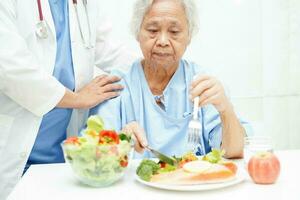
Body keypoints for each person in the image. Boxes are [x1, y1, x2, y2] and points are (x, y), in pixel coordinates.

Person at [0, 0, 136, 199]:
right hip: (14, 153)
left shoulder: (84, 3)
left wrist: (164, 67)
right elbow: (10, 68)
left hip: (59, 160)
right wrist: (77, 99)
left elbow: (109, 50)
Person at [90, 0, 252, 159]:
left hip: (192, 183)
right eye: (153, 30)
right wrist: (120, 142)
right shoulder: (115, 85)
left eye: (174, 32)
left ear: (189, 35)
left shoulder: (203, 83)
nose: (162, 42)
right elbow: (92, 157)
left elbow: (234, 151)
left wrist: (226, 110)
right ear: (137, 33)